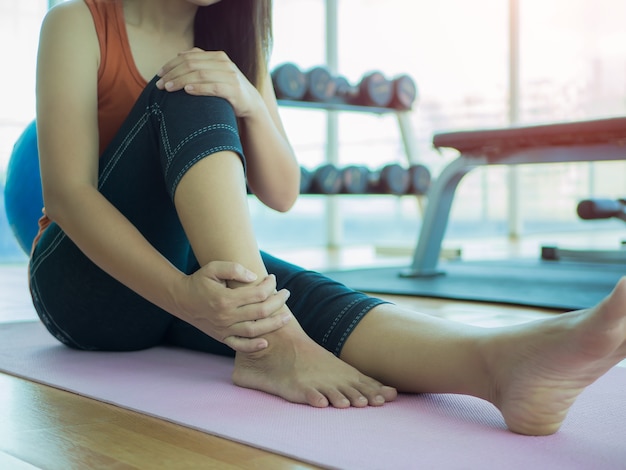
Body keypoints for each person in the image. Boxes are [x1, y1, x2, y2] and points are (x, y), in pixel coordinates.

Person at [30, 0, 626, 437]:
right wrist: (189, 300)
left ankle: (501, 369)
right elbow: (68, 193)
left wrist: (250, 100)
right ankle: (274, 345)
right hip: (83, 288)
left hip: (191, 278)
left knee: (303, 298)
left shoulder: (228, 42)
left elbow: (281, 190)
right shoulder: (79, 21)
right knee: (191, 85)